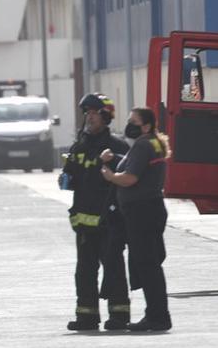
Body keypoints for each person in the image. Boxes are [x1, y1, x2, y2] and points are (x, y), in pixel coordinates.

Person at [62, 94, 131, 331]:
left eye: (93, 113)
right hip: (83, 221)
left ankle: (120, 315)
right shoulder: (78, 147)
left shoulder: (118, 147)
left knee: (114, 269)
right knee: (84, 272)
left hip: (109, 221)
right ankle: (87, 317)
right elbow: (69, 179)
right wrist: (66, 177)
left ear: (105, 116)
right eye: (87, 113)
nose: (89, 118)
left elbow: (127, 181)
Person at [100, 107, 172, 332]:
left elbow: (130, 178)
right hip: (151, 209)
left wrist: (111, 176)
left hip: (142, 211)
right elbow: (138, 165)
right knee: (150, 264)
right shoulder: (154, 143)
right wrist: (118, 159)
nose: (129, 124)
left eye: (134, 121)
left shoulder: (142, 144)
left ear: (147, 125)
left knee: (147, 265)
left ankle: (157, 317)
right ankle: (157, 314)